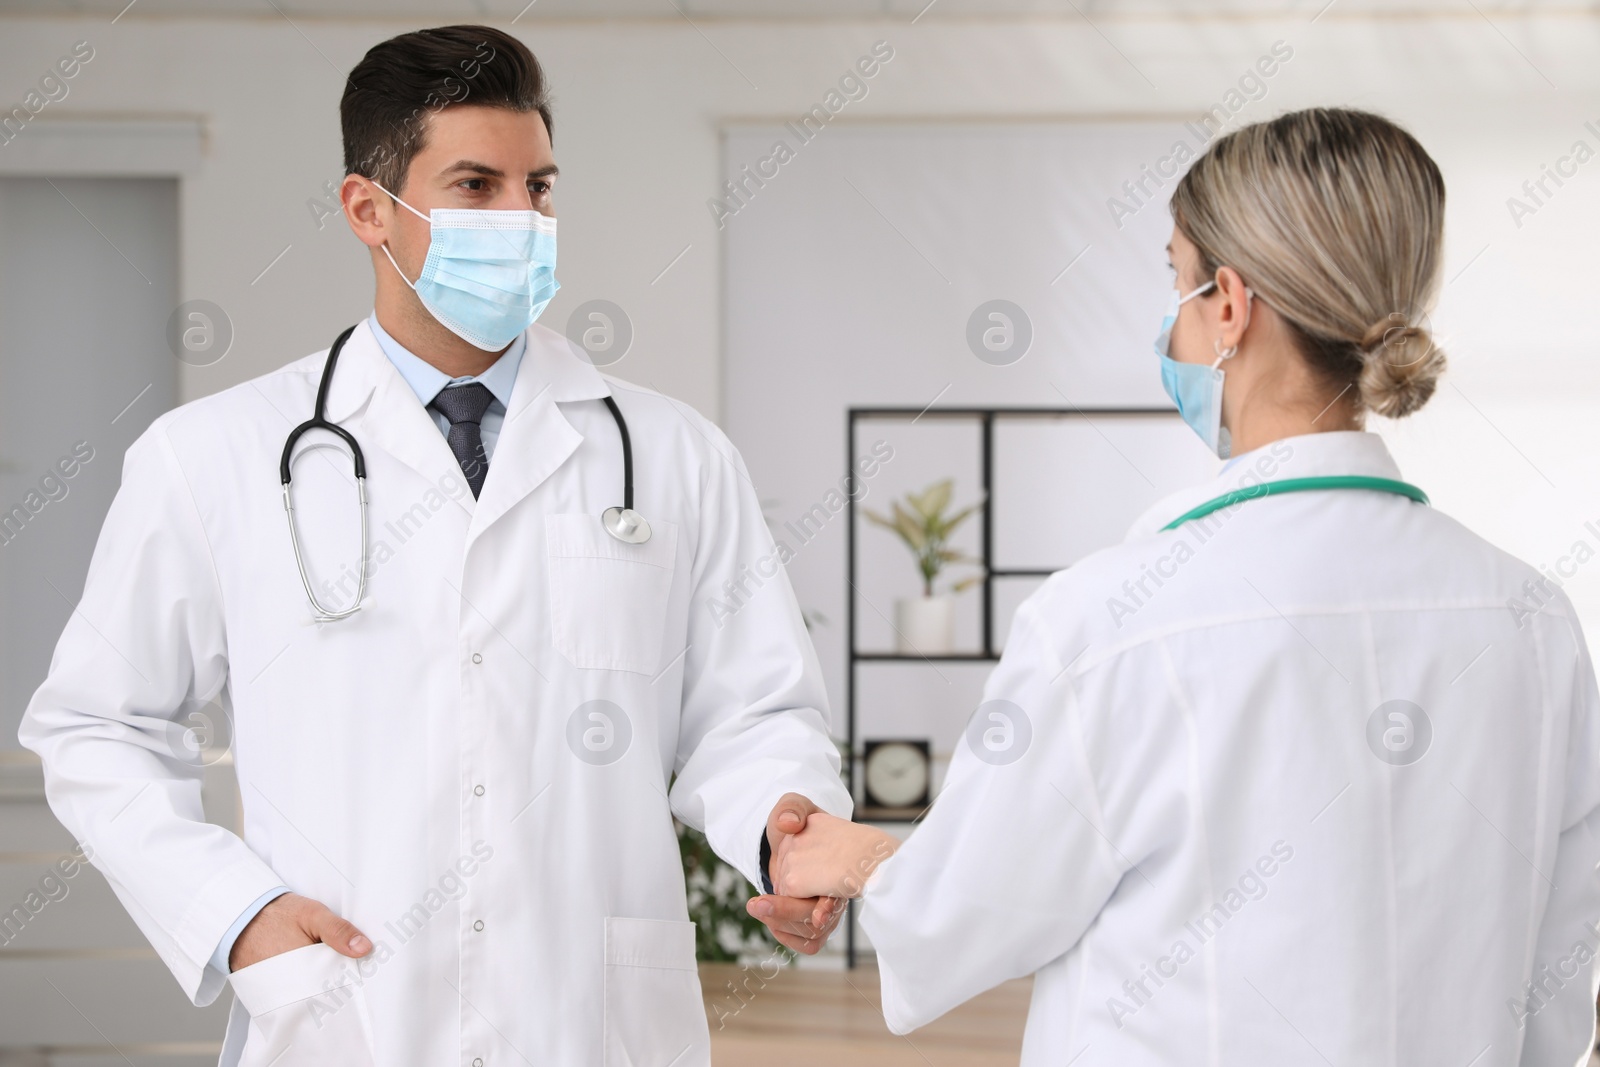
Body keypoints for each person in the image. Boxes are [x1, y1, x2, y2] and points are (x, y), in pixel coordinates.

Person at [19, 25, 849, 1067]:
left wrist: (782, 822)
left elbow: (752, 711)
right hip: (343, 1014)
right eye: (475, 185)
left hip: (588, 1023)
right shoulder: (215, 456)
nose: (521, 219)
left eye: (538, 188)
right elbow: (97, 722)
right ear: (369, 210)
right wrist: (234, 911)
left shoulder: (673, 455)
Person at [765, 107, 1600, 1065]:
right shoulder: (1532, 618)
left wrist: (858, 856)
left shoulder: (1116, 617)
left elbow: (972, 911)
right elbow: (1555, 980)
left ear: (1232, 303)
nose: (1173, 319)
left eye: (1177, 281)